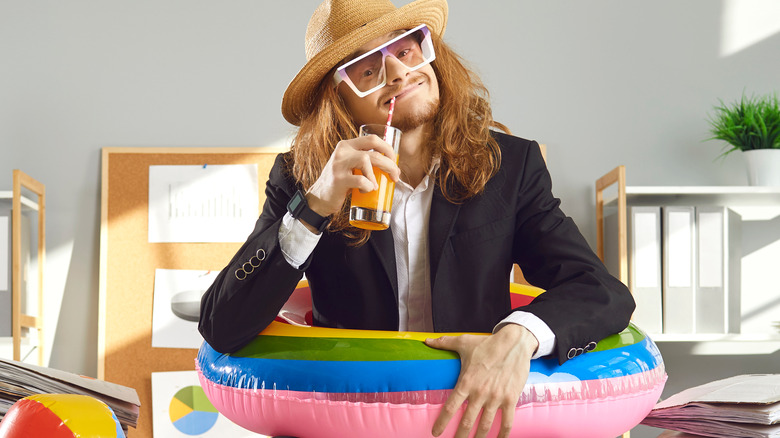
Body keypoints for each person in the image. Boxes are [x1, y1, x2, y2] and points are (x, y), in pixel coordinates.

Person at [198, 0, 635, 437]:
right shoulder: (301, 178)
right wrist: (314, 207)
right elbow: (222, 325)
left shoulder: (510, 166)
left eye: (405, 51)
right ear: (339, 99)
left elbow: (599, 290)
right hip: (352, 422)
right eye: (367, 70)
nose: (397, 74)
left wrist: (517, 337)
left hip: (472, 422)